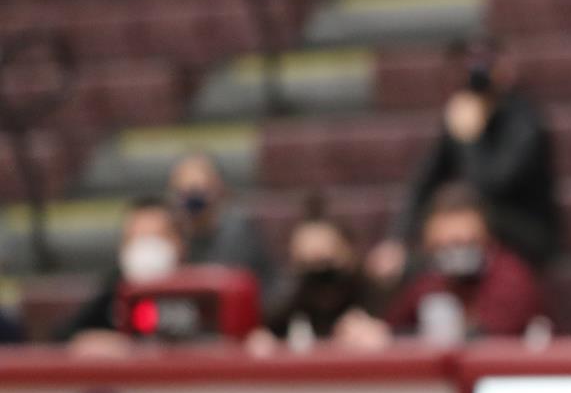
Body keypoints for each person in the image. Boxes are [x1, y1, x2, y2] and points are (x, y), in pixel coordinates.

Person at [370, 36, 561, 285]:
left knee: (461, 223)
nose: (477, 73)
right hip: (479, 222)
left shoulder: (524, 119)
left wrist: (470, 140)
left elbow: (491, 186)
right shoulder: (461, 114)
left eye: (485, 63)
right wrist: (395, 239)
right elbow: (424, 182)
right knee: (445, 220)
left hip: (526, 229)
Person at [383, 183, 547, 339]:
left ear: (488, 241)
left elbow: (488, 338)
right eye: (442, 246)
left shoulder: (512, 278)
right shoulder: (428, 280)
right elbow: (392, 330)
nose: (454, 255)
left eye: (463, 243)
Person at [245, 202, 385, 354]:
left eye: (325, 262)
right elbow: (262, 336)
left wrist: (381, 339)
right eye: (306, 264)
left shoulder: (375, 298)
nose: (319, 275)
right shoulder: (287, 303)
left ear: (348, 253)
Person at [57, 198, 184, 353]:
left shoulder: (203, 290)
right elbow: (65, 337)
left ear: (178, 243)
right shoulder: (115, 288)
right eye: (135, 238)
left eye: (154, 237)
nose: (144, 248)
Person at [166, 151, 275, 291]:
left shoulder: (238, 232)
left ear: (218, 187)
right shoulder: (171, 234)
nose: (193, 200)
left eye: (199, 191)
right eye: (185, 192)